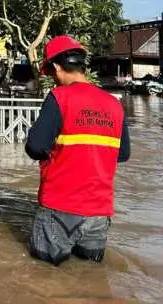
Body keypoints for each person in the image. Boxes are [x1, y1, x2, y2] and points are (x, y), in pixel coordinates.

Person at [25, 35, 131, 266]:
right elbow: (122, 154)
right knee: (90, 275)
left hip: (59, 206)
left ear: (56, 67)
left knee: (43, 275)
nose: (53, 79)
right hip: (99, 212)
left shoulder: (59, 98)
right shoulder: (114, 104)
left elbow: (35, 146)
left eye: (52, 73)